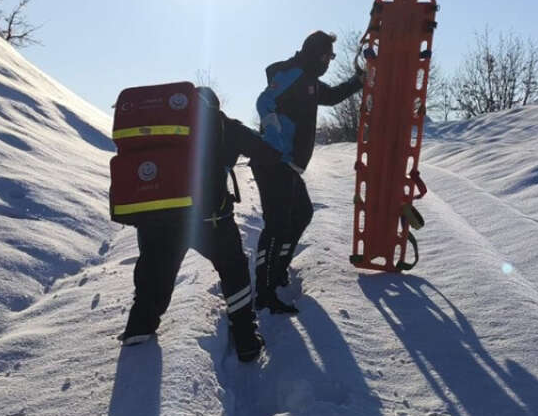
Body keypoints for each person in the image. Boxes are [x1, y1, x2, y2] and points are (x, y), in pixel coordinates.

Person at [120, 87, 281, 362]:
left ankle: (140, 326)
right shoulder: (224, 125)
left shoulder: (161, 127)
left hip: (159, 217)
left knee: (154, 270)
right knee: (234, 270)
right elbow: (268, 152)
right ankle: (245, 338)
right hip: (211, 220)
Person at [251, 31, 364, 313]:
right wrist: (276, 138)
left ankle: (277, 271)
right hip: (274, 162)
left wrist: (359, 81)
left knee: (301, 214)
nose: (330, 61)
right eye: (329, 56)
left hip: (286, 164)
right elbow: (264, 101)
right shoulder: (293, 73)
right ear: (318, 54)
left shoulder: (309, 81)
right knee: (277, 225)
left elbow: (334, 96)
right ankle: (264, 292)